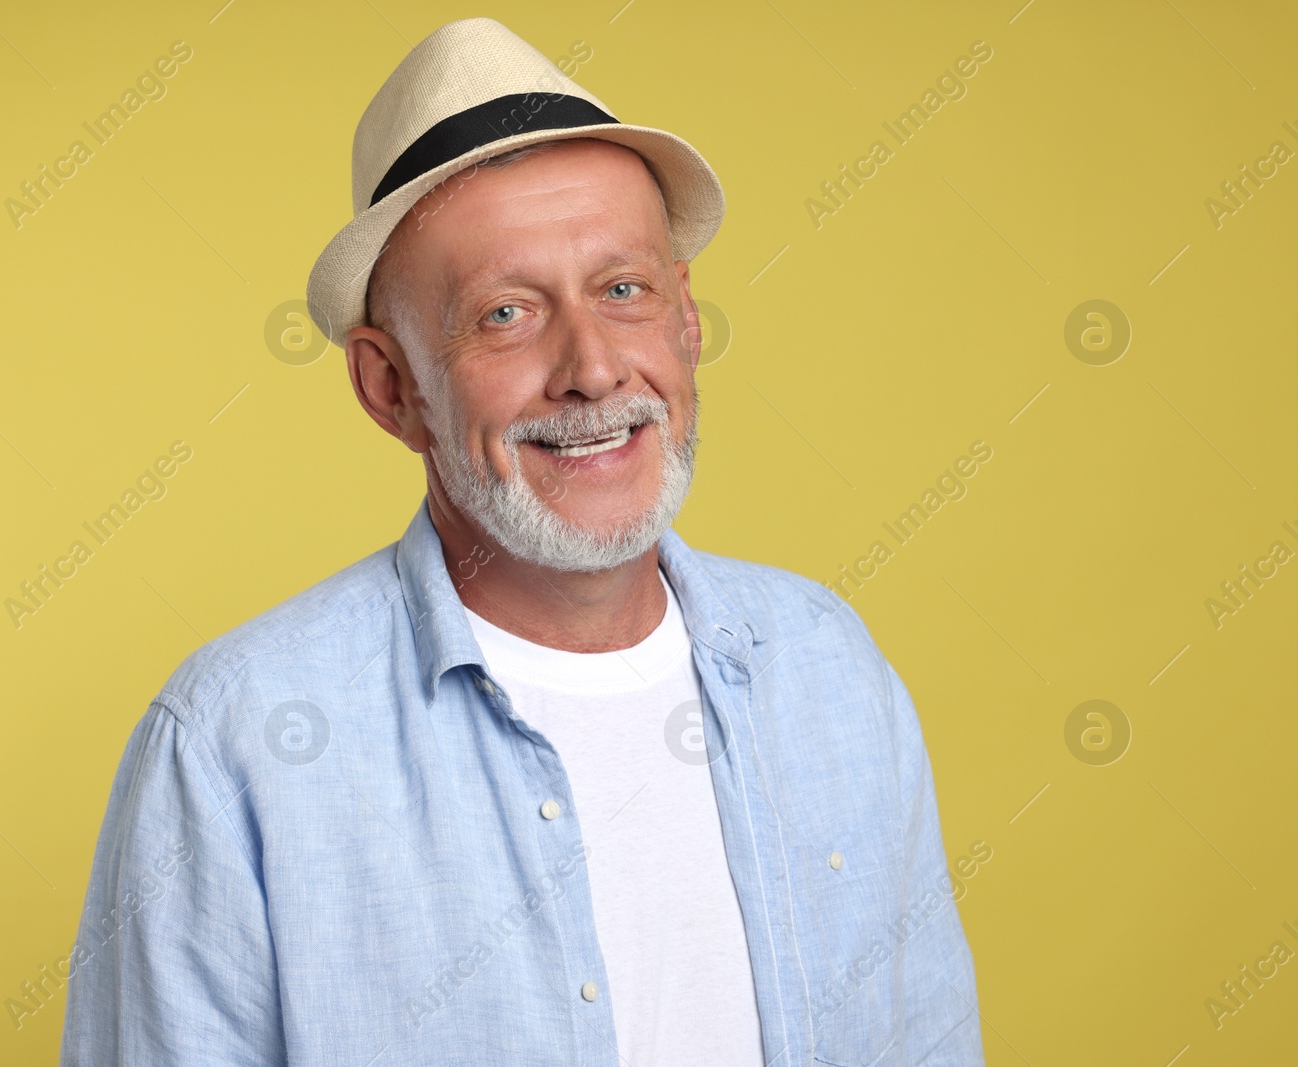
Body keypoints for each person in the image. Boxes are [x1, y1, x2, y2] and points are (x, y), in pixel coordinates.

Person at [62, 16, 984, 1066]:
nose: (591, 369)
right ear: (390, 386)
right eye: (505, 313)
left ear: (685, 319)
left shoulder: (828, 666)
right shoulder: (236, 744)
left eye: (622, 290)